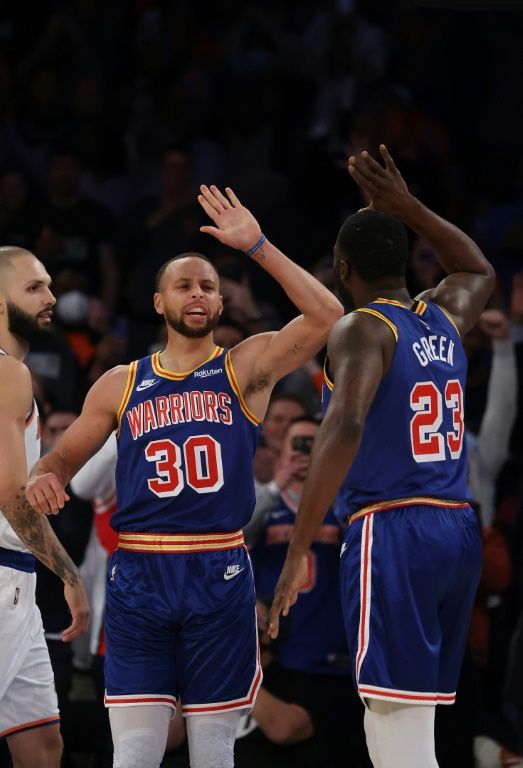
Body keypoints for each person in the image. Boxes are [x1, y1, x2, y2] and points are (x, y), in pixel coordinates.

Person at [25, 184, 343, 768]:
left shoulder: (247, 366)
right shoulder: (120, 382)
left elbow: (327, 315)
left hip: (218, 570)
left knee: (214, 748)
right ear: (157, 301)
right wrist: (44, 475)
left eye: (208, 287)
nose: (197, 294)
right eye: (184, 284)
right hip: (140, 571)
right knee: (138, 751)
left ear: (220, 305)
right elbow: (58, 461)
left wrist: (259, 247)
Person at [269, 145, 496, 768]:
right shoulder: (442, 315)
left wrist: (297, 550)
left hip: (394, 529)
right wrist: (409, 207)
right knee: (413, 716)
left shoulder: (362, 327)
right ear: (405, 261)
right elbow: (478, 270)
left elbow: (343, 429)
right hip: (456, 525)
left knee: (393, 723)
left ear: (341, 268)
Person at [0, 246, 89, 768]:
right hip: (4, 577)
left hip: (16, 584)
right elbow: (11, 493)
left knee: (42, 744)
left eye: (49, 285)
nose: (51, 297)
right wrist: (69, 574)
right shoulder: (9, 373)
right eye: (34, 287)